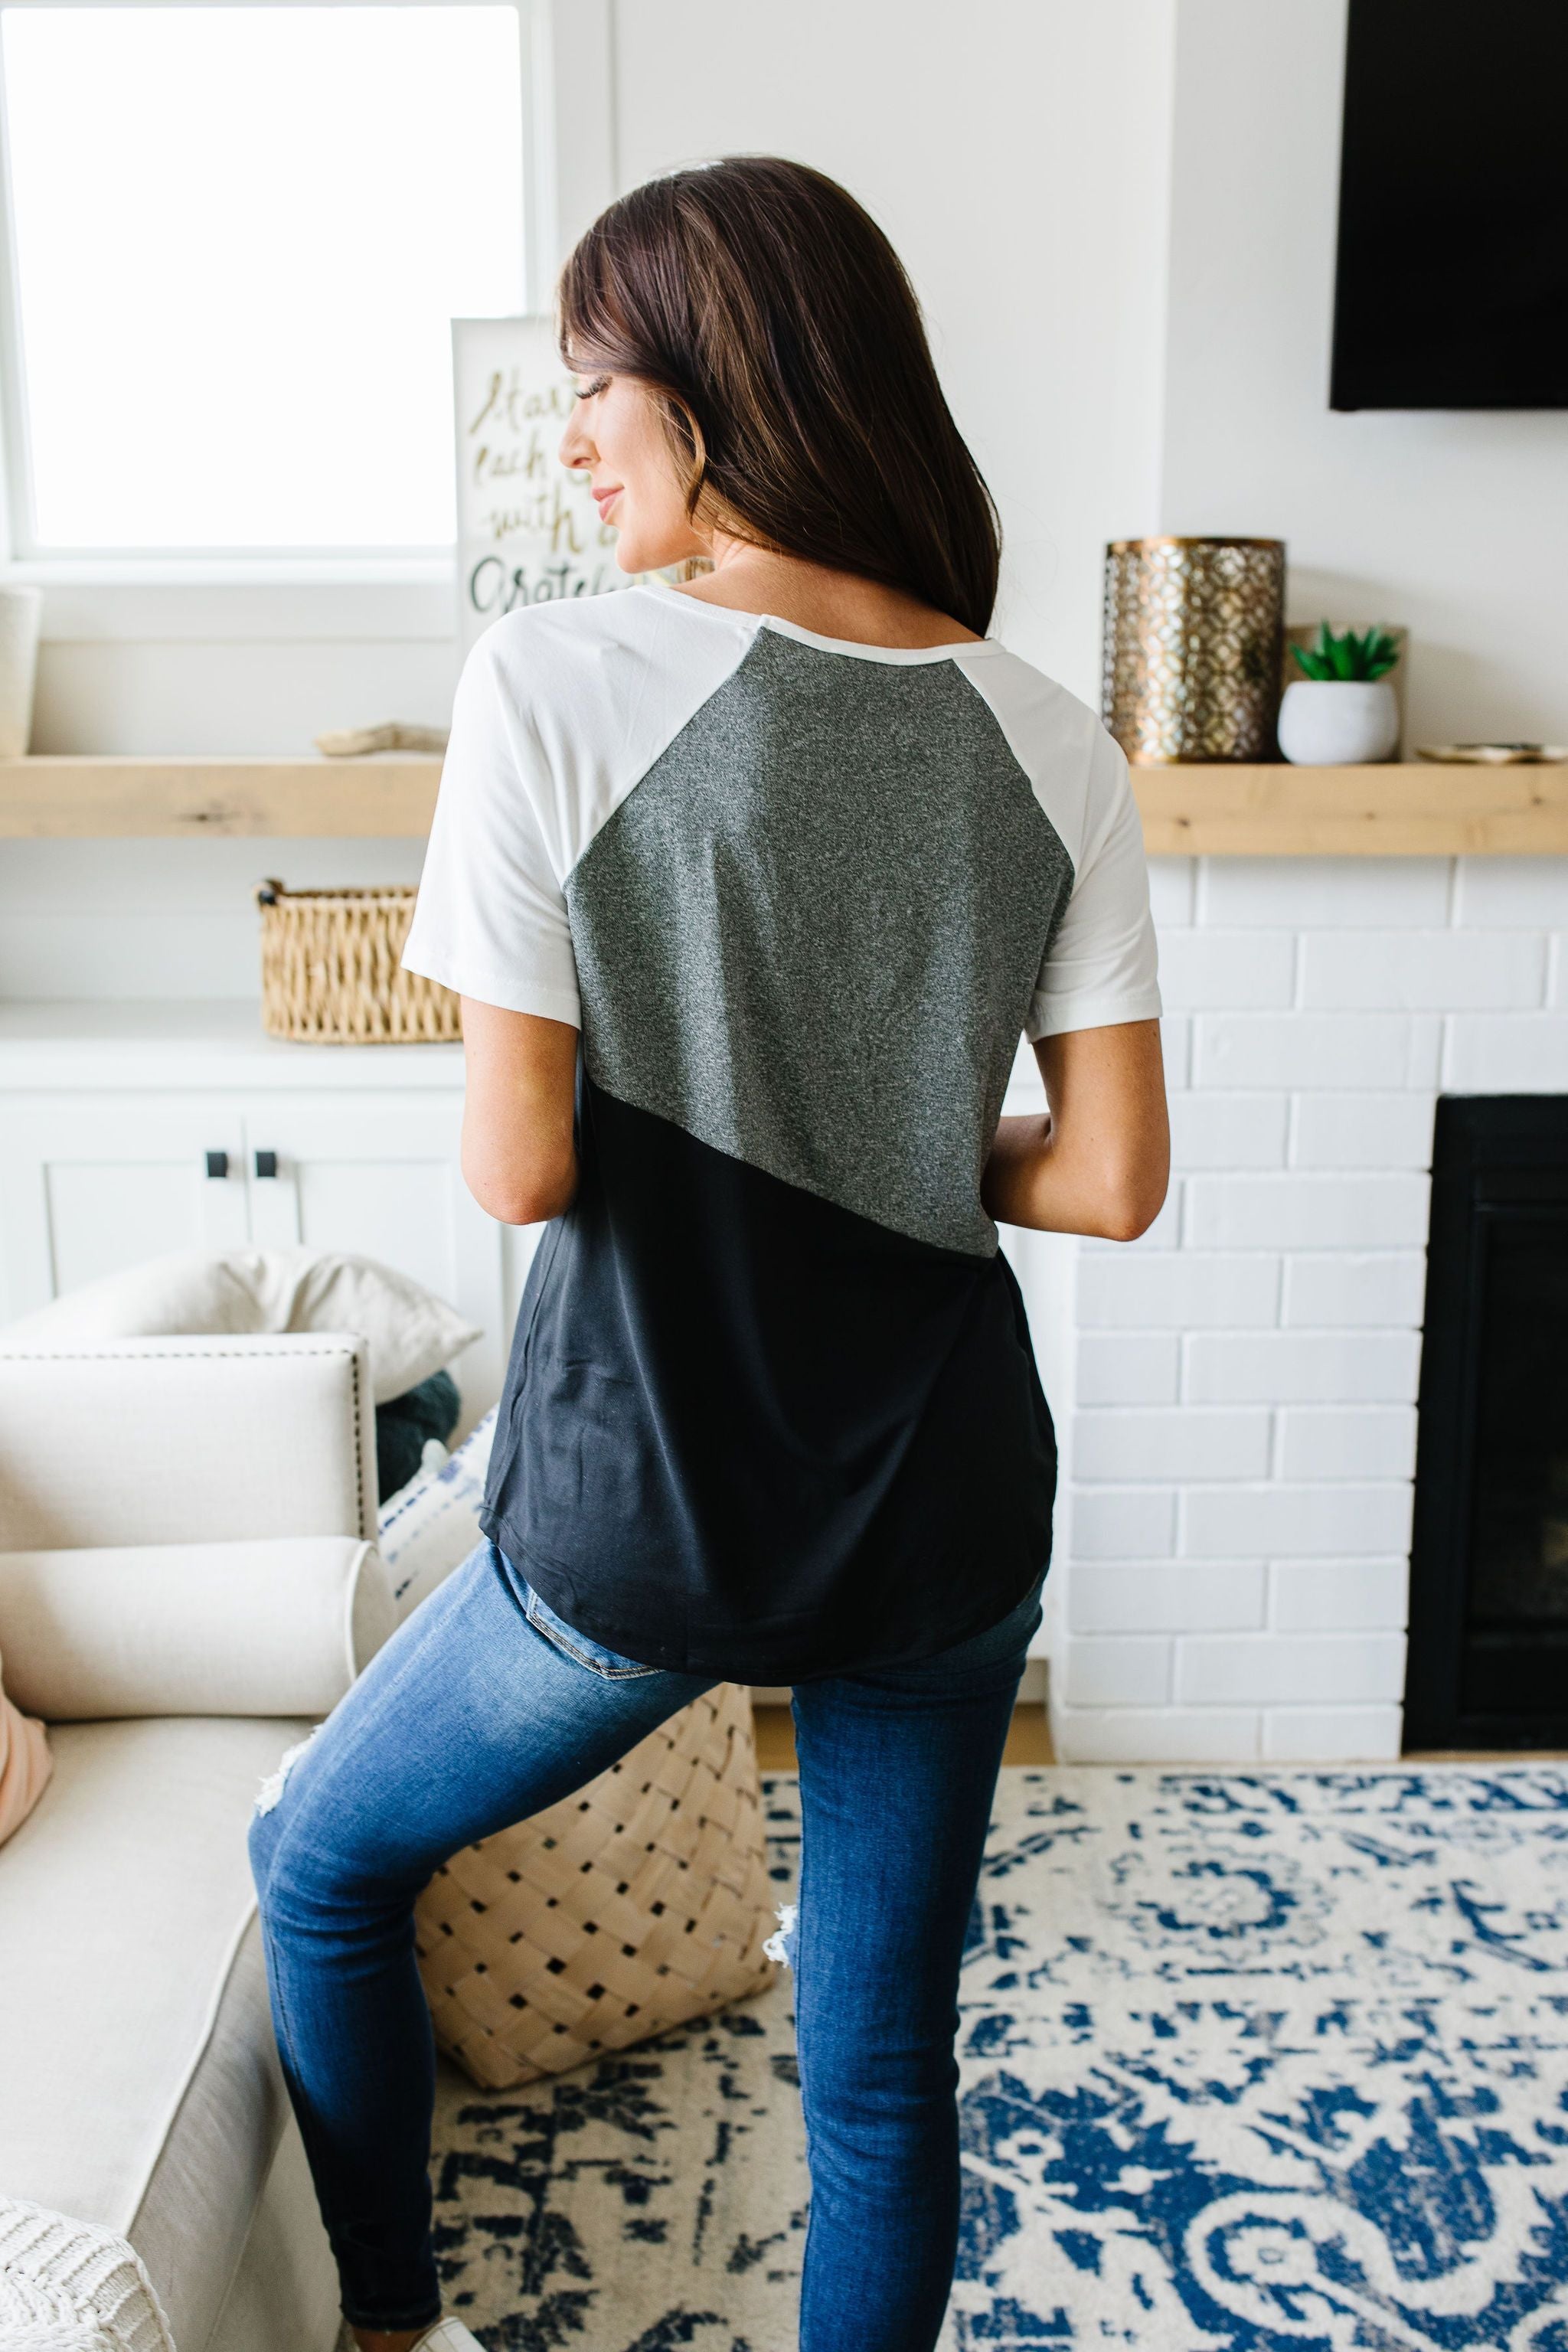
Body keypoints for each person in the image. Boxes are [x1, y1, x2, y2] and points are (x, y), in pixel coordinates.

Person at [249, 155, 1168, 2352]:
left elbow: (520, 1173)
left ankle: (389, 2328)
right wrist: (888, 1137)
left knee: (323, 1864)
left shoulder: (554, 677)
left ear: (716, 378)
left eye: (596, 388)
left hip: (657, 1499)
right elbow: (1116, 1180)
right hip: (946, 1499)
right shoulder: (1051, 728)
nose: (574, 441)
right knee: (873, 2075)